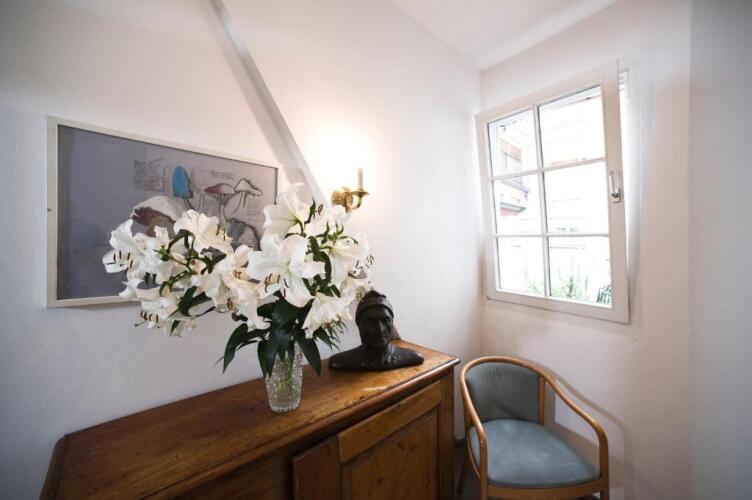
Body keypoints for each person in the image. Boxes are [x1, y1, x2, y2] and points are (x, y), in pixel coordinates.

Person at [328, 290, 424, 371]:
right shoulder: (344, 361)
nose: (380, 329)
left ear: (392, 321)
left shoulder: (409, 356)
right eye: (371, 323)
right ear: (359, 324)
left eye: (385, 321)